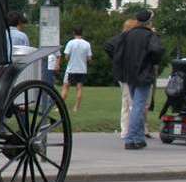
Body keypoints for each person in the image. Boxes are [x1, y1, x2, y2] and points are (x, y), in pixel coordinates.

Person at [105, 10, 164, 150]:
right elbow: (157, 50)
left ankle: (138, 137)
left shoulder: (127, 34)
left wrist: (119, 59)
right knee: (138, 106)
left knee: (135, 105)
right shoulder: (150, 35)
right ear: (149, 22)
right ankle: (131, 138)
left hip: (128, 74)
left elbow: (109, 45)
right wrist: (152, 61)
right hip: (143, 74)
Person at [61, 27, 92, 113]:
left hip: (71, 69)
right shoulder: (87, 44)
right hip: (82, 69)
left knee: (65, 87)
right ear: (82, 33)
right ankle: (76, 107)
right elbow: (89, 58)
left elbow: (66, 56)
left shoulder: (70, 43)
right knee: (79, 88)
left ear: (74, 33)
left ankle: (59, 106)